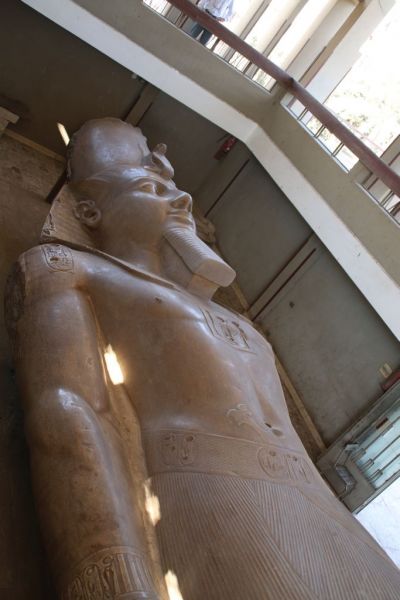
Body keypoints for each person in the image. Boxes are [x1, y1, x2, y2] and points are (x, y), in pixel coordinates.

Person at [6, 118, 400, 600]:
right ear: (89, 211)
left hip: (325, 511)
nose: (182, 199)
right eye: (151, 188)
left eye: (177, 190)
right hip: (218, 500)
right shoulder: (69, 270)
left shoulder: (246, 328)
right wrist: (116, 578)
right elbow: (70, 412)